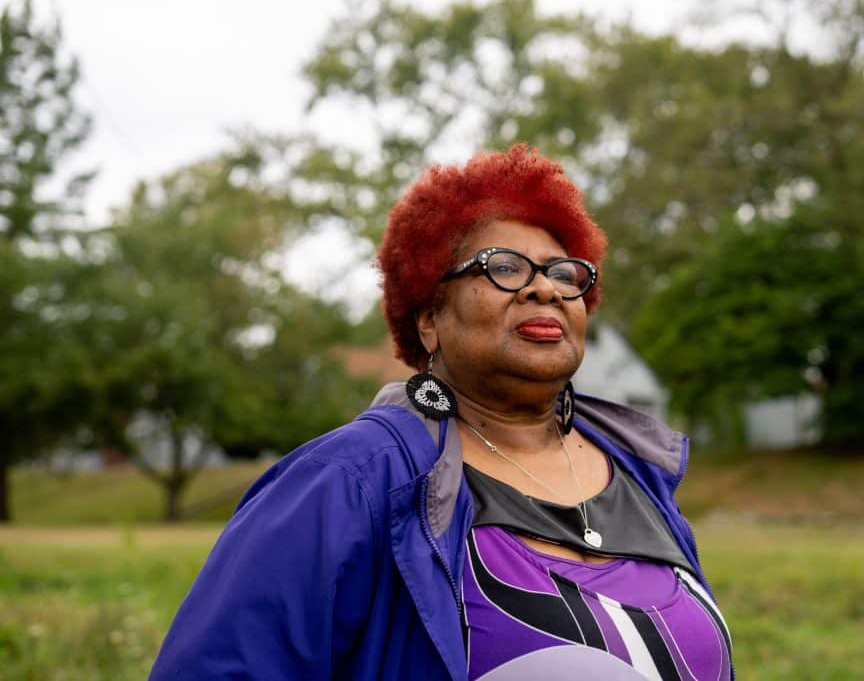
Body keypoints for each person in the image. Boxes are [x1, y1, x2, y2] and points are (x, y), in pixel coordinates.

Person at [150, 145, 732, 680]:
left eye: (563, 274)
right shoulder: (347, 481)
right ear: (430, 317)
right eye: (505, 266)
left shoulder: (641, 471)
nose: (546, 290)